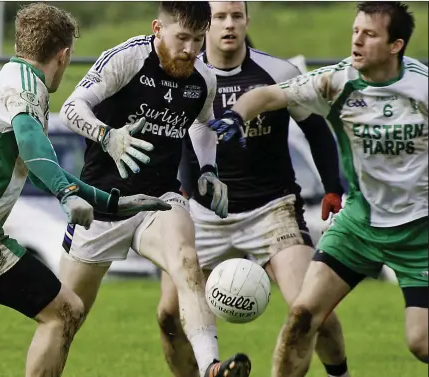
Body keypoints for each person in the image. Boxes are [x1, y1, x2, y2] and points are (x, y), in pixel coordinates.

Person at [0, 3, 170, 376]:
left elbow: (42, 169)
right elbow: (32, 142)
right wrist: (66, 195)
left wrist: (110, 202)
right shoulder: (25, 89)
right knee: (65, 311)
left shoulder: (8, 79)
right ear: (64, 54)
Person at [208, 2, 428, 375]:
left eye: (370, 34)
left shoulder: (421, 87)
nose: (357, 41)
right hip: (359, 225)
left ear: (396, 45)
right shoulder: (337, 80)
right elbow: (268, 95)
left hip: (419, 232)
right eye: (355, 31)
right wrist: (236, 114)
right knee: (302, 315)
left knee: (420, 342)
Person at [58, 2, 251, 377]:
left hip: (159, 199)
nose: (191, 49)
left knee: (187, 261)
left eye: (198, 39)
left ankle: (210, 366)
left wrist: (208, 170)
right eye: (182, 38)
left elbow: (200, 123)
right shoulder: (127, 59)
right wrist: (106, 135)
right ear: (157, 29)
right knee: (65, 319)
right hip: (103, 202)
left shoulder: (202, 78)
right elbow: (71, 106)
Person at [159, 2, 351, 377]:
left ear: (247, 19)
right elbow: (180, 135)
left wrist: (332, 187)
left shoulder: (279, 72)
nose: (228, 24)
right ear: (205, 23)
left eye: (236, 15)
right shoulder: (185, 73)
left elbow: (317, 131)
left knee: (310, 309)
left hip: (271, 208)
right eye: (219, 17)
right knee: (168, 314)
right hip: (202, 213)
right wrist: (182, 187)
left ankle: (340, 373)